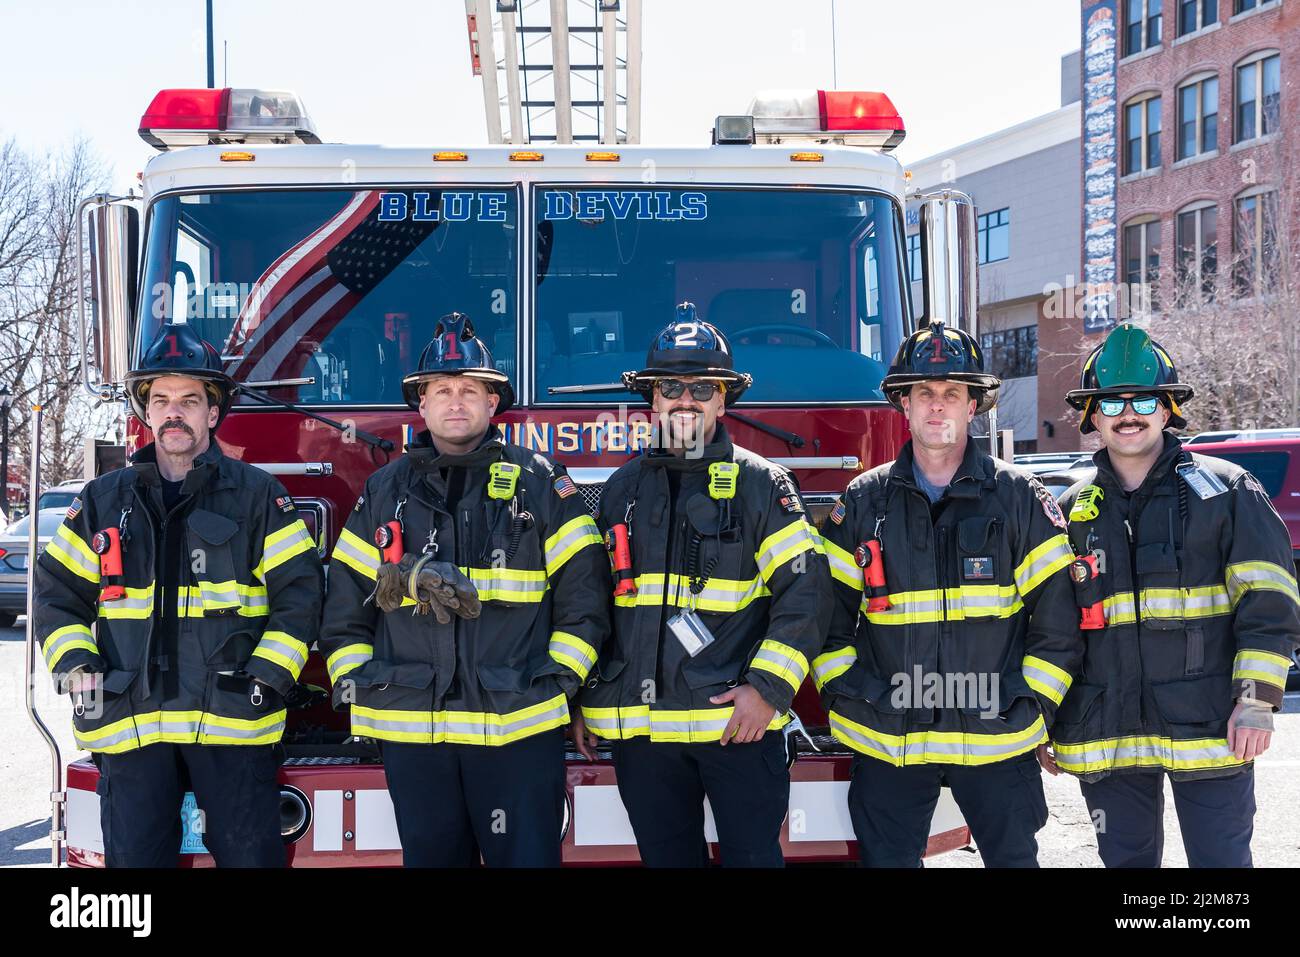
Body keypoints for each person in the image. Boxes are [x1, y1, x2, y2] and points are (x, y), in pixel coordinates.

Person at [318, 312, 609, 867]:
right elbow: (344, 606)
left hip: (518, 730)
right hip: (414, 734)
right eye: (442, 390)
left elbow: (585, 598)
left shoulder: (540, 482)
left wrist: (558, 685)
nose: (456, 402)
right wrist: (361, 685)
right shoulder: (384, 490)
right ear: (421, 406)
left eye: (470, 390)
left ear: (492, 403)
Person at [35, 322, 323, 866]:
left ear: (212, 412)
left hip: (234, 723)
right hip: (129, 726)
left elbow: (301, 596)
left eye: (190, 400)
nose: (174, 411)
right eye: (161, 399)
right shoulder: (102, 502)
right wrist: (78, 668)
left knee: (250, 859)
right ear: (146, 412)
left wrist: (268, 677)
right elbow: (56, 595)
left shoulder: (258, 496)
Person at [572, 302, 830, 867]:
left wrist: (767, 689)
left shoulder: (761, 483)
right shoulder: (622, 489)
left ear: (724, 398)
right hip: (641, 736)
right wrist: (584, 695)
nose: (685, 399)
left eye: (702, 388)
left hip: (738, 728)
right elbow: (592, 605)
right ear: (652, 397)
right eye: (671, 386)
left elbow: (806, 597)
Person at [816, 321, 1083, 867]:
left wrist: (1027, 706)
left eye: (952, 394)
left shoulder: (1018, 499)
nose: (937, 407)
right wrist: (858, 699)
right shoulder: (863, 502)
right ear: (904, 405)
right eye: (924, 394)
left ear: (972, 406)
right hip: (890, 742)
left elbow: (1057, 623)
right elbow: (825, 621)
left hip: (997, 740)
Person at [1047, 322, 1300, 867]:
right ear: (1092, 416)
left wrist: (1256, 701)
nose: (1128, 414)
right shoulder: (1070, 510)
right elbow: (1051, 626)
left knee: (1221, 869)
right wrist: (1047, 718)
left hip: (1212, 728)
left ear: (1167, 409)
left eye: (1143, 399)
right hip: (1105, 731)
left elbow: (1270, 604)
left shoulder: (1227, 491)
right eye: (1111, 403)